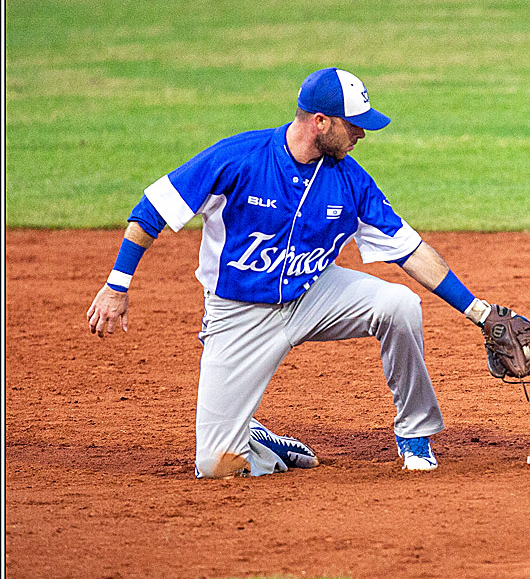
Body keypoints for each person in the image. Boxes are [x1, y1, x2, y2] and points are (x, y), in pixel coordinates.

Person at [87, 67, 505, 478]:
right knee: (215, 467)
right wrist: (116, 285)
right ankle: (259, 442)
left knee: (399, 304)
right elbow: (152, 209)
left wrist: (480, 313)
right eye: (353, 125)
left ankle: (415, 435)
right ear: (320, 122)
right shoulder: (239, 158)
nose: (361, 134)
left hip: (315, 296)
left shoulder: (351, 181)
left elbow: (412, 252)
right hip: (239, 313)